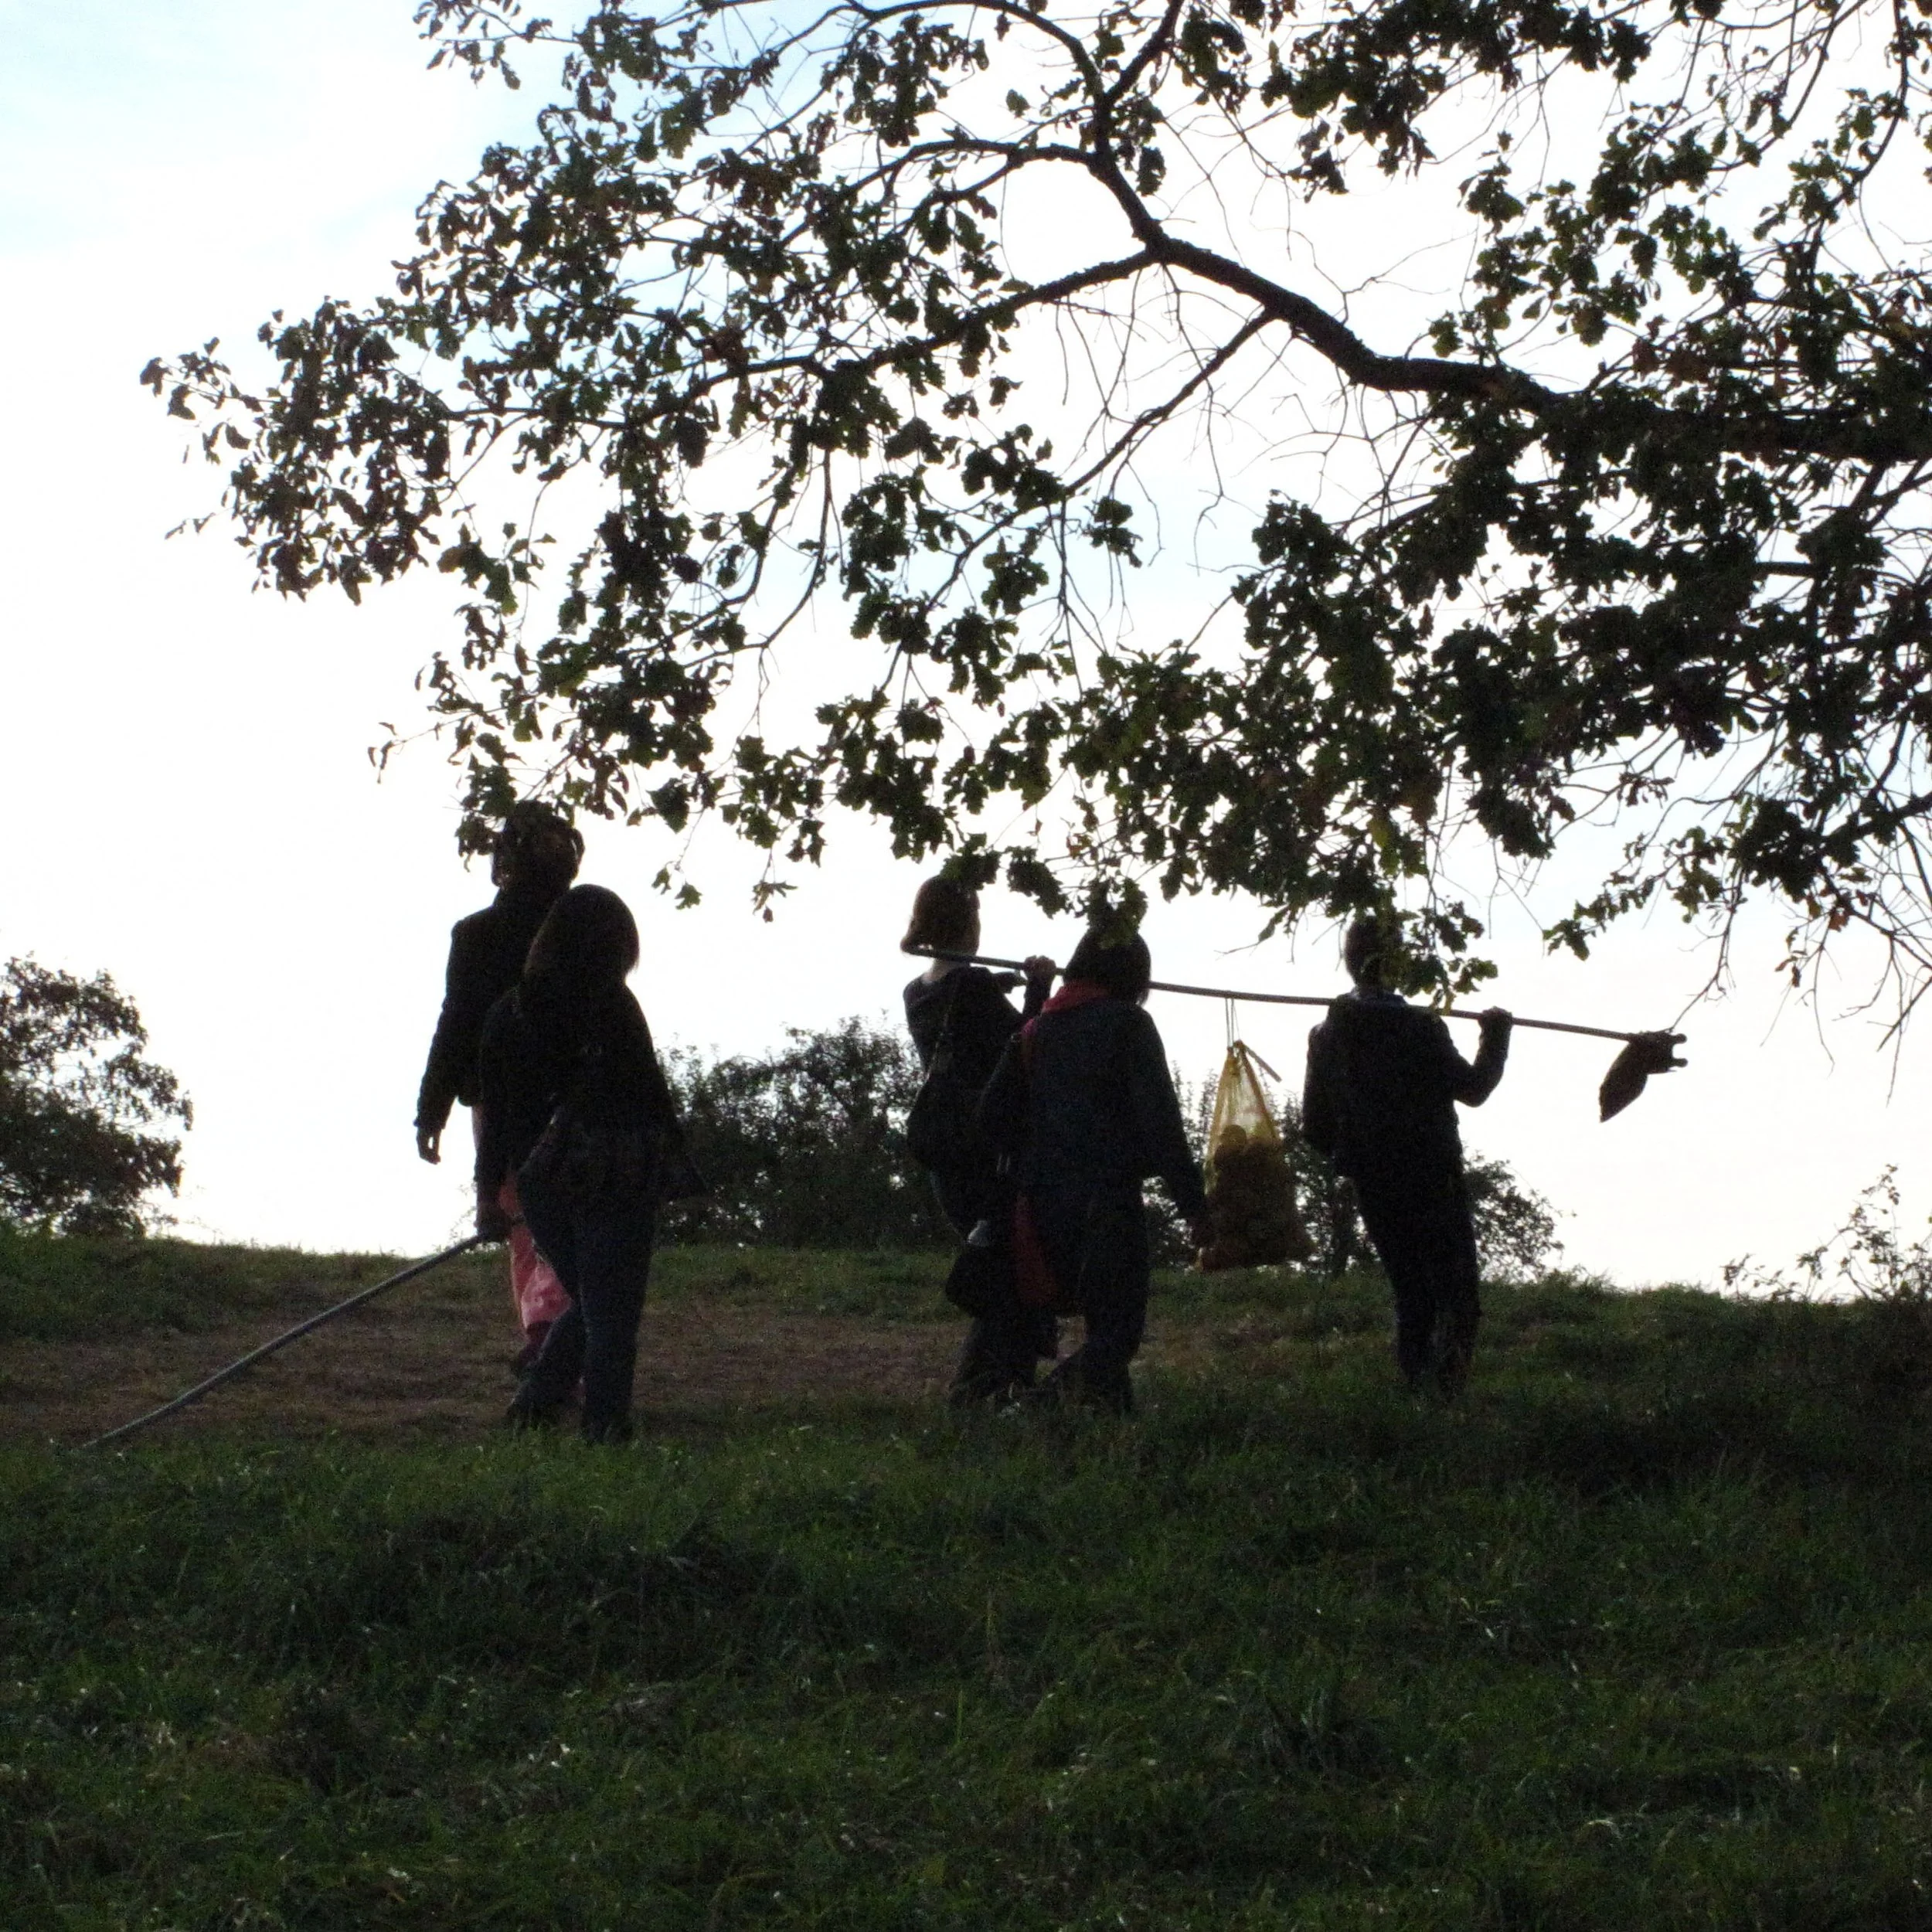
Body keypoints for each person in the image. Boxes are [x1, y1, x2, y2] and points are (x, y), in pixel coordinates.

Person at [476, 884, 694, 1444]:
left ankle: (537, 1399)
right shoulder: (613, 1007)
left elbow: (495, 1115)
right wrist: (676, 1170)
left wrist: (489, 1196)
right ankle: (603, 1427)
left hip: (541, 1184)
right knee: (611, 1312)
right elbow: (647, 1097)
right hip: (610, 1177)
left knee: (594, 1300)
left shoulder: (509, 1011)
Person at [978, 922, 1210, 1416]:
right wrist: (1194, 1206)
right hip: (1105, 1201)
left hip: (1039, 1203)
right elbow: (1162, 1125)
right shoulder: (1128, 1025)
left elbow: (990, 1116)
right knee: (1118, 1333)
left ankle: (1118, 1436)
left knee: (1106, 1331)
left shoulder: (1038, 1028)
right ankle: (1033, 1413)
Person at [1301, 915, 1512, 1396]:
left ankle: (1416, 1396)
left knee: (1411, 1292)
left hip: (1373, 1179)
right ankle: (1445, 1399)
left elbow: (1314, 1128)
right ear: (1401, 964)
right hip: (1432, 1173)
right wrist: (1496, 1037)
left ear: (1349, 963)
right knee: (1456, 1295)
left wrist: (1351, 1154)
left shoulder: (1327, 1035)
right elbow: (1474, 1089)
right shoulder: (1420, 1027)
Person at [416, 802, 583, 1366]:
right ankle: (550, 1338)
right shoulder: (582, 926)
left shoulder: (479, 934)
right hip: (571, 1096)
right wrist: (431, 1106)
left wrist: (431, 1107)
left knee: (522, 1226)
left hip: (507, 1101)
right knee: (557, 1223)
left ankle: (543, 1338)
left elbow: (455, 1023)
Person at [901, 876, 1058, 1404]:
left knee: (1000, 1263)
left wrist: (996, 984)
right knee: (1010, 1268)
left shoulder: (919, 991)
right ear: (968, 922)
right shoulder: (970, 988)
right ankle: (987, 1387)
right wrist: (1039, 986)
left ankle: (1001, 1385)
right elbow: (1023, 1043)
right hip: (988, 1151)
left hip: (946, 1152)